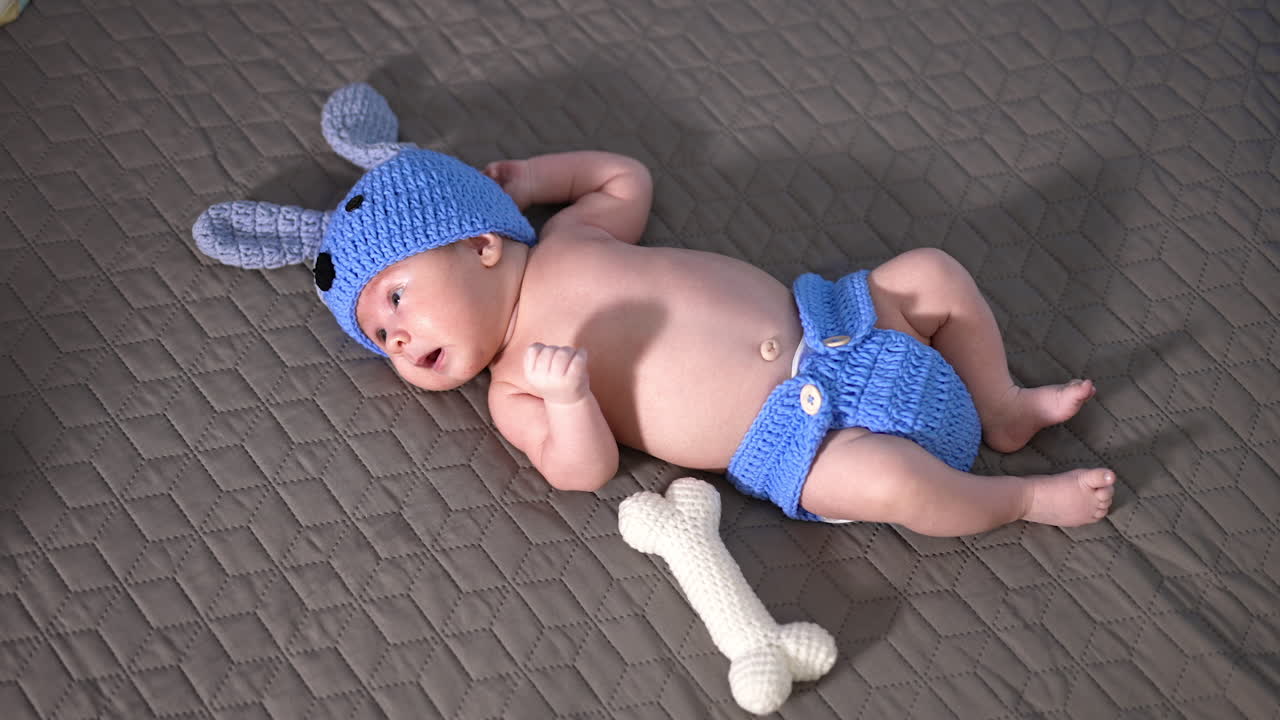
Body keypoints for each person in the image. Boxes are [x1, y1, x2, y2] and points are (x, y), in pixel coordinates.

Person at [195, 84, 1115, 537]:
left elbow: (623, 176)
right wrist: (570, 404)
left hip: (833, 323)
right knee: (895, 486)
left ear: (480, 240)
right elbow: (579, 473)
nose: (395, 335)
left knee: (935, 273)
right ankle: (1020, 500)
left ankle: (1000, 408)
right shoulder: (516, 388)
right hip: (794, 441)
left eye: (394, 297)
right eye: (381, 336)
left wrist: (530, 179)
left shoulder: (572, 242)